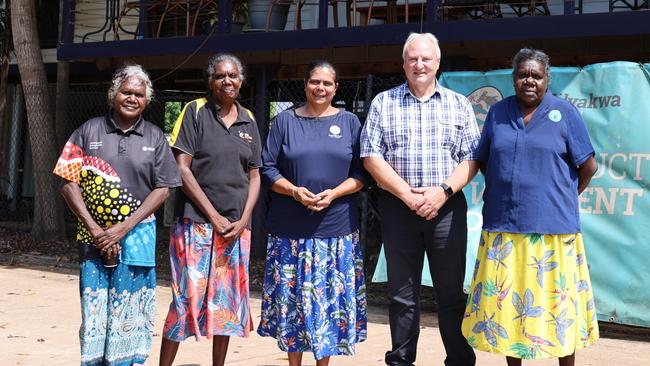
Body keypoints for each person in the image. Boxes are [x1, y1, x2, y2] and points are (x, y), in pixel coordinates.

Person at [461, 48, 599, 365]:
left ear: (547, 79)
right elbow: (484, 160)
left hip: (554, 231)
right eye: (523, 74)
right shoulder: (497, 113)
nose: (529, 81)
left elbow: (587, 167)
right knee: (511, 308)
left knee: (558, 309)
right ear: (514, 79)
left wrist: (562, 196)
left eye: (536, 75)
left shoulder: (564, 113)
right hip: (504, 226)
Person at [360, 32, 480, 366]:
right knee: (402, 294)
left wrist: (441, 193)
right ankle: (400, 359)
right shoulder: (384, 102)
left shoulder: (459, 104)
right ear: (403, 64)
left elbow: (472, 159)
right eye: (412, 58)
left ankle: (459, 359)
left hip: (447, 209)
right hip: (399, 208)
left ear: (438, 62)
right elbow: (371, 156)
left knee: (451, 293)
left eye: (426, 58)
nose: (419, 64)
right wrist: (407, 195)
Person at [53, 64, 181, 365]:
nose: (132, 98)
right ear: (113, 94)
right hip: (93, 240)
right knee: (96, 313)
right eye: (126, 92)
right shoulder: (88, 130)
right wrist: (97, 230)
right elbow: (67, 182)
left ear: (147, 100)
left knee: (131, 310)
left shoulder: (155, 137)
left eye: (138, 94)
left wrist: (123, 228)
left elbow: (164, 188)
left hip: (137, 239)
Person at [257, 60, 368, 366]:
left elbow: (362, 172)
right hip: (290, 232)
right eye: (314, 82)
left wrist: (335, 193)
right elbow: (267, 167)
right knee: (293, 307)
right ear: (305, 84)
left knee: (329, 308)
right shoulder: (284, 122)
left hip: (336, 231)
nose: (320, 88)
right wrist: (293, 191)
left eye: (327, 83)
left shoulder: (350, 123)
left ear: (336, 88)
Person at [159, 53, 261, 366]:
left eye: (233, 76)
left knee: (226, 304)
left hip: (234, 230)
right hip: (196, 224)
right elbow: (182, 168)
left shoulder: (249, 119)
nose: (227, 81)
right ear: (210, 81)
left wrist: (243, 219)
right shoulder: (194, 112)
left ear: (241, 81)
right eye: (220, 76)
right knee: (185, 297)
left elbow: (254, 175)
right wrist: (213, 216)